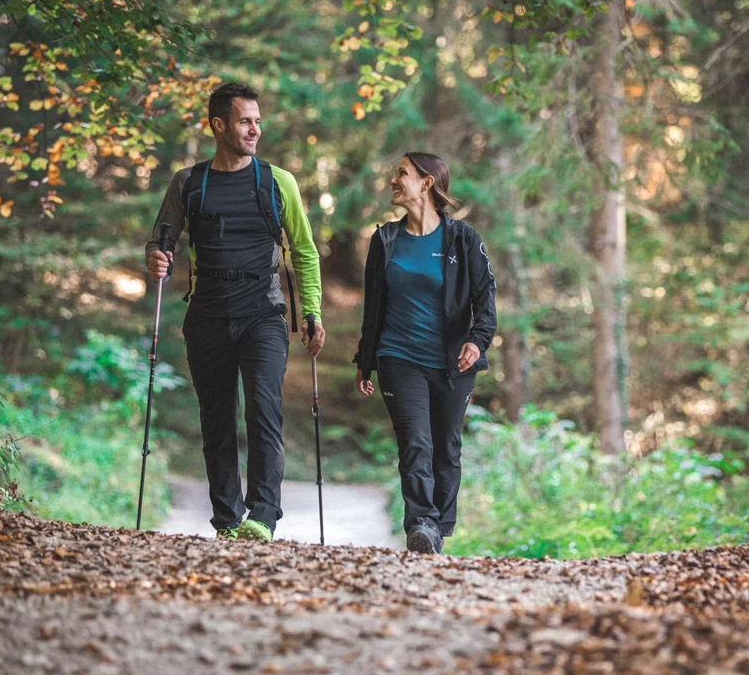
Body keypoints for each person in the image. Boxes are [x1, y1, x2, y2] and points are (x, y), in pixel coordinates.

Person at [145, 82, 324, 542]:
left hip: (263, 313)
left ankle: (262, 516)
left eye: (258, 121)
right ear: (218, 124)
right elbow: (160, 240)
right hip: (205, 314)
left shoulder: (277, 181)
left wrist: (312, 312)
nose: (255, 130)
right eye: (246, 121)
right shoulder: (189, 182)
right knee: (217, 419)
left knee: (264, 411)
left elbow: (303, 251)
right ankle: (226, 520)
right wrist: (157, 258)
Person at [353, 152, 497, 554]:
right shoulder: (385, 240)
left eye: (402, 173)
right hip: (398, 357)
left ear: (427, 183)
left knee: (447, 446)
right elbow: (373, 305)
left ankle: (438, 529)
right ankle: (420, 523)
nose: (393, 179)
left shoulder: (463, 239)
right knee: (415, 441)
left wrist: (476, 340)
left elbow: (486, 299)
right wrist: (366, 359)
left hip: (453, 362)